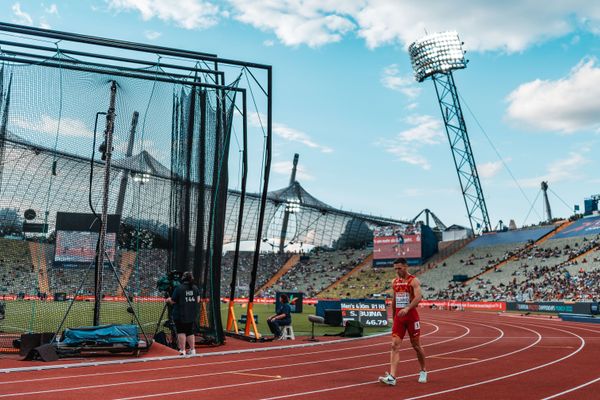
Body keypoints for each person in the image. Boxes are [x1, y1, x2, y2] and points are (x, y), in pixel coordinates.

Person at [379, 257, 427, 386]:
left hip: (411, 317)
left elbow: (418, 297)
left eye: (399, 268)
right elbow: (395, 299)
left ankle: (423, 370)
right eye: (395, 269)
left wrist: (407, 308)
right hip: (399, 319)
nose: (397, 271)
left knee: (416, 346)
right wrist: (394, 316)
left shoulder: (413, 281)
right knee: (394, 345)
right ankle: (392, 377)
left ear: (406, 267)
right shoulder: (394, 282)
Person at [166, 271, 200, 356]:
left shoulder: (179, 288)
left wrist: (168, 299)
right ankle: (192, 350)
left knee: (181, 331)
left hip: (180, 314)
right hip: (191, 313)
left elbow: (173, 301)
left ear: (183, 278)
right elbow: (198, 300)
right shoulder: (195, 288)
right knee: (190, 331)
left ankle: (182, 350)